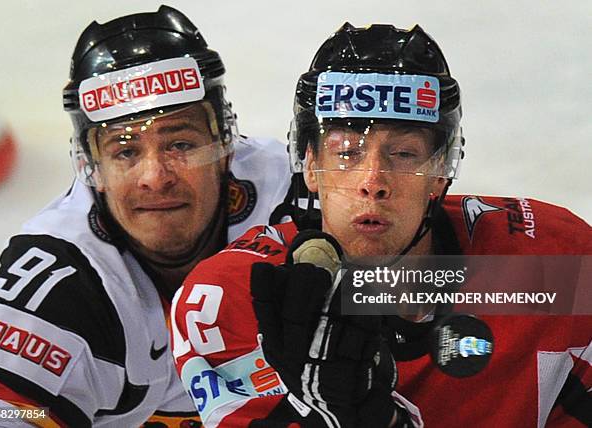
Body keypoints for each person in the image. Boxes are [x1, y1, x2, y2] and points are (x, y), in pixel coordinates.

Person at [171, 22, 592, 427]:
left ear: (441, 170)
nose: (373, 183)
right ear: (311, 166)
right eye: (347, 153)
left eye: (404, 154)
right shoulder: (227, 297)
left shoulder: (555, 265)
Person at [0, 6, 292, 427]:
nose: (155, 177)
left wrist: (388, 325)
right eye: (125, 151)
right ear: (93, 168)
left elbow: (409, 292)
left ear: (225, 145)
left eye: (180, 144)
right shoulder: (60, 285)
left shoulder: (295, 195)